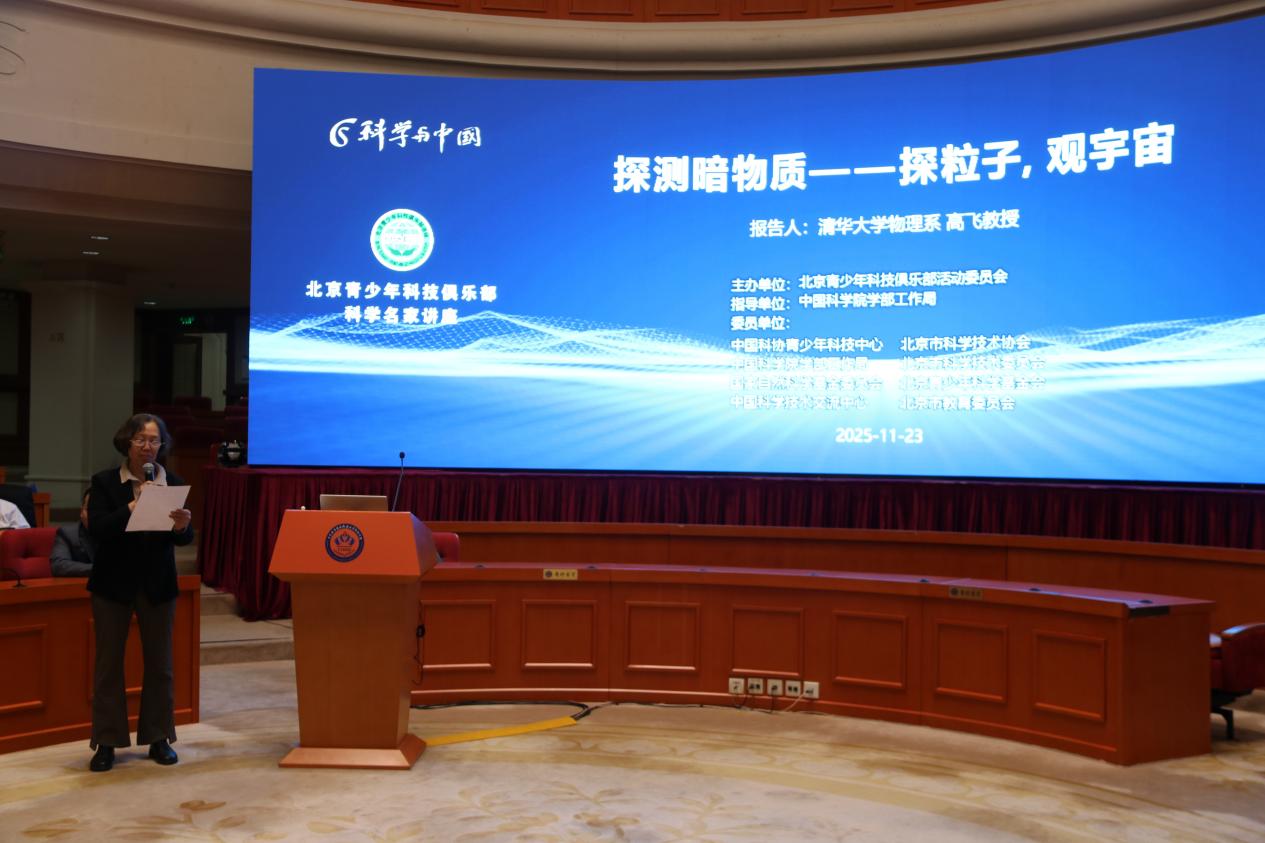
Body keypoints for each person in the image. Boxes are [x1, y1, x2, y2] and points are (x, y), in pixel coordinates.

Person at [86, 414, 193, 772]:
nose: (148, 447)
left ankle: (159, 737)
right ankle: (106, 742)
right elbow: (98, 529)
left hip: (157, 583)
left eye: (154, 441)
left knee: (161, 665)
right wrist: (133, 506)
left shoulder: (172, 482)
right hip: (113, 584)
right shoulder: (104, 482)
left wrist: (182, 527)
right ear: (127, 443)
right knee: (108, 666)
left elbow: (182, 539)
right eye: (141, 440)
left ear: (162, 445)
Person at [50, 489, 96, 576]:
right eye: (89, 510)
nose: (94, 515)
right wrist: (101, 569)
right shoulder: (68, 534)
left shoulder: (118, 532)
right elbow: (58, 566)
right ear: (81, 512)